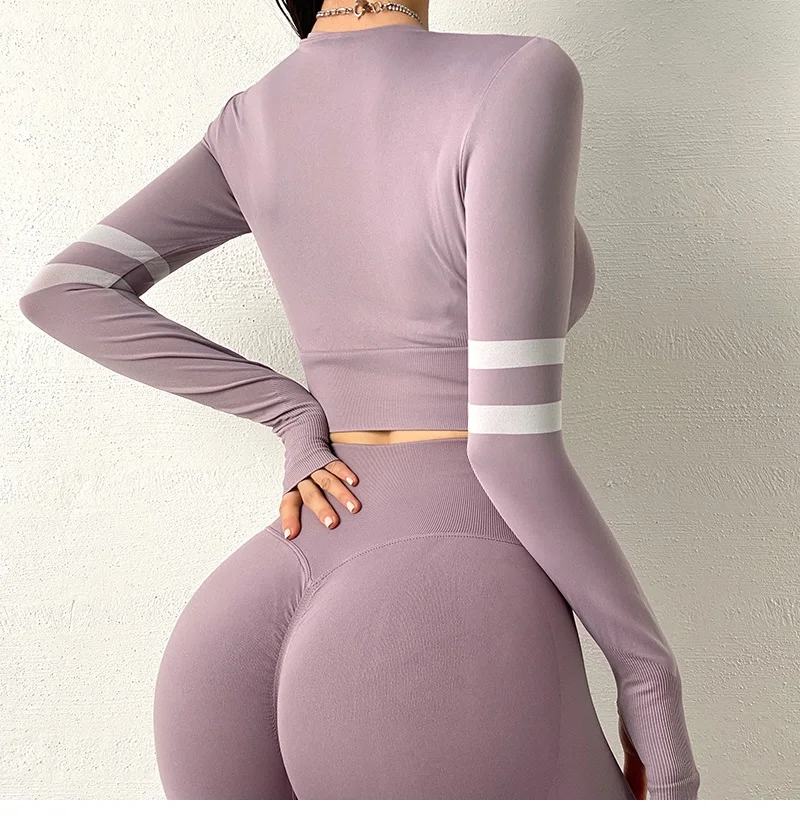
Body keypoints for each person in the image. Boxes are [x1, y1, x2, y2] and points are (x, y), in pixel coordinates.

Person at [18, 0, 701, 800]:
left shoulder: (251, 119)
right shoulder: (518, 78)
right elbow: (509, 447)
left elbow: (66, 288)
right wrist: (648, 675)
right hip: (435, 608)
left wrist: (292, 413)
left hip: (242, 621)